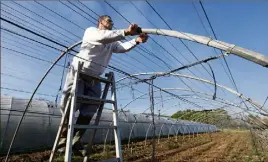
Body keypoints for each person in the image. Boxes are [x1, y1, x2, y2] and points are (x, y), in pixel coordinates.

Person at [57, 15, 148, 155]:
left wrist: (136, 41)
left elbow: (122, 47)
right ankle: (63, 140)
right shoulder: (91, 31)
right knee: (69, 105)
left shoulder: (112, 42)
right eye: (108, 21)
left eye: (112, 22)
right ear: (101, 22)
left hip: (94, 77)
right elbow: (102, 37)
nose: (111, 23)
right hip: (79, 73)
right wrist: (125, 32)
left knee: (91, 108)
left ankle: (75, 140)